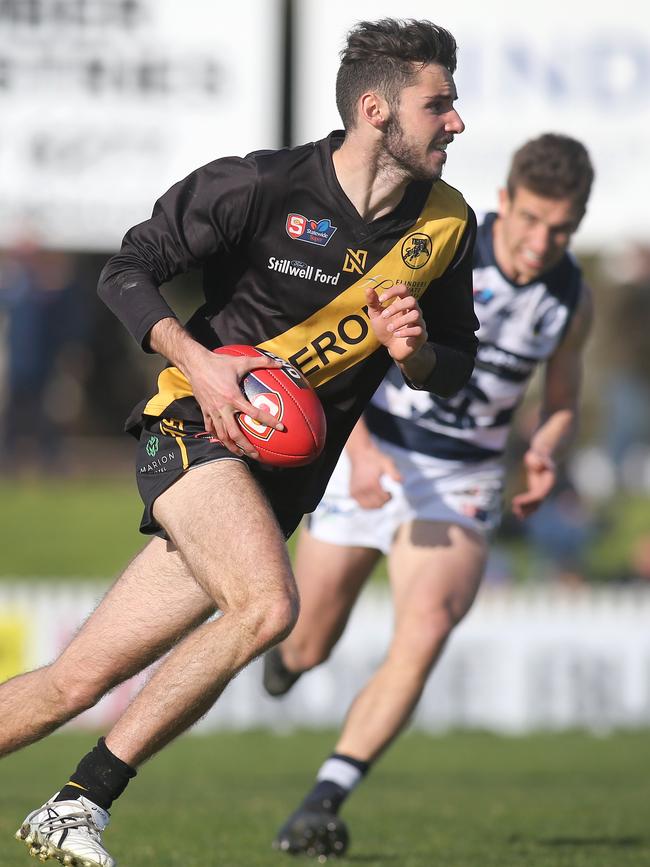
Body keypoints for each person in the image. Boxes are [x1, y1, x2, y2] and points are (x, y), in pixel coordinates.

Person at [3, 19, 479, 867]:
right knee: (268, 607)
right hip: (190, 430)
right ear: (375, 109)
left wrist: (416, 355)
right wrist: (200, 362)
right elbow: (125, 272)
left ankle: (73, 795)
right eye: (437, 103)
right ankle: (80, 802)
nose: (458, 121)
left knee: (68, 685)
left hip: (274, 491)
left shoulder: (445, 225)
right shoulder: (259, 187)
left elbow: (455, 364)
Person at [265, 132, 595, 859]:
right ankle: (288, 663)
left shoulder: (571, 297)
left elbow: (562, 397)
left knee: (429, 622)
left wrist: (545, 449)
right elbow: (342, 350)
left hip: (464, 478)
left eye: (562, 228)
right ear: (504, 202)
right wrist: (355, 449)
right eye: (532, 220)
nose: (543, 243)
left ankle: (325, 797)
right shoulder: (440, 244)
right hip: (374, 450)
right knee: (306, 638)